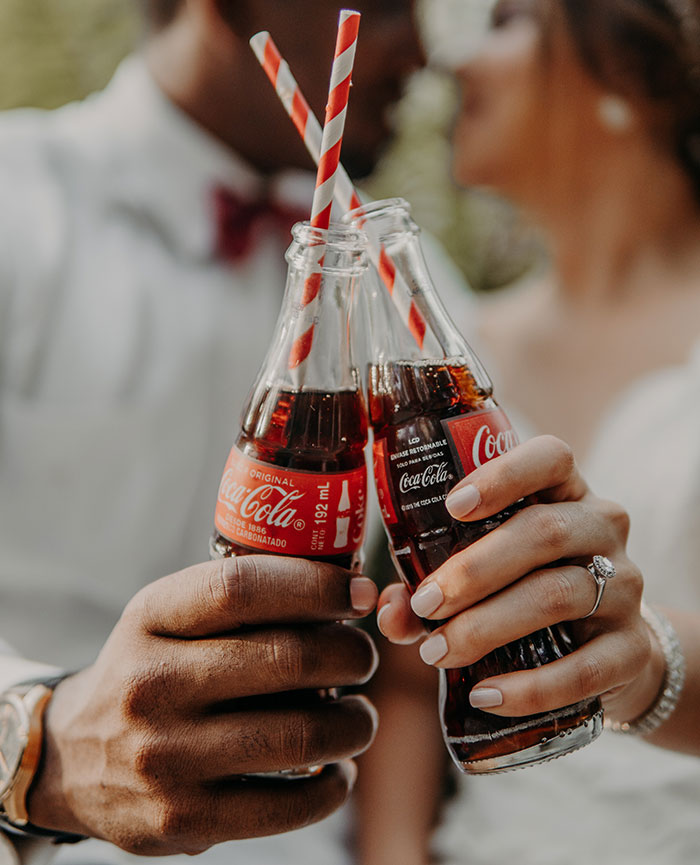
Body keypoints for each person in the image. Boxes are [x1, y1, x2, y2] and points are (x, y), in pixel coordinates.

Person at [0, 0, 425, 862]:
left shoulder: (397, 275)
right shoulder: (17, 207)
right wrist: (41, 747)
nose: (418, 49)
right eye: (385, 4)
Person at [356, 1, 700, 863]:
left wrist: (647, 662)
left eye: (509, 20)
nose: (451, 62)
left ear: (626, 78)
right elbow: (414, 678)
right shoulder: (455, 359)